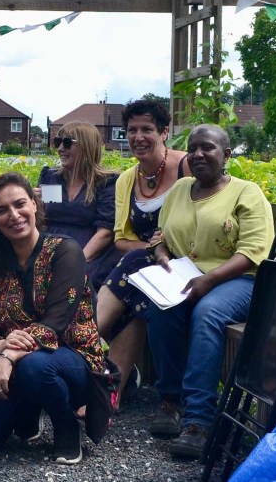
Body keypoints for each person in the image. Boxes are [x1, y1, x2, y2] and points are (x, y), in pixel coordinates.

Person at [0, 172, 105, 465]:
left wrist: (7, 357)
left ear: (34, 205)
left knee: (35, 365)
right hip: (18, 371)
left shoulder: (65, 250)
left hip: (73, 360)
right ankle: (28, 412)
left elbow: (55, 324)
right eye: (2, 210)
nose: (14, 215)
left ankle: (66, 427)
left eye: (20, 204)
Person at [137, 124, 274, 459]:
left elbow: (253, 251)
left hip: (238, 281)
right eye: (194, 148)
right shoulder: (181, 189)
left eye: (208, 148)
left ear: (226, 155)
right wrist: (161, 256)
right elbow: (161, 236)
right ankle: (169, 402)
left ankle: (199, 421)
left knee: (208, 312)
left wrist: (209, 281)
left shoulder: (246, 192)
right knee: (161, 307)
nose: (198, 154)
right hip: (187, 277)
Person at [95, 98, 191, 404]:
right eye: (131, 130)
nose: (138, 137)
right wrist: (153, 249)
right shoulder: (127, 179)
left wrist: (160, 250)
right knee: (142, 294)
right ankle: (112, 394)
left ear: (164, 132)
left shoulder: (187, 168)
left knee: (137, 263)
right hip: (147, 271)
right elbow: (122, 238)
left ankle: (82, 339)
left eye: (147, 129)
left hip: (188, 265)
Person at [36, 121, 120, 290]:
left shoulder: (105, 183)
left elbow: (105, 233)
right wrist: (31, 203)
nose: (60, 148)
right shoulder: (51, 177)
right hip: (49, 250)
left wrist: (76, 260)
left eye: (67, 143)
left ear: (87, 147)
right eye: (58, 142)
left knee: (79, 278)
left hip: (89, 254)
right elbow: (40, 219)